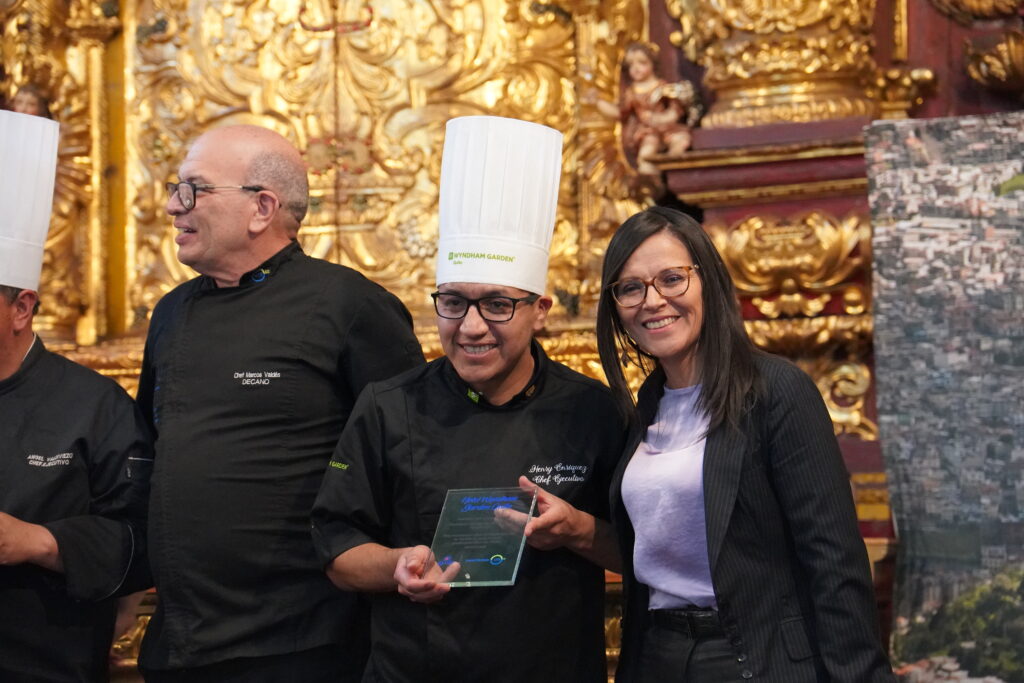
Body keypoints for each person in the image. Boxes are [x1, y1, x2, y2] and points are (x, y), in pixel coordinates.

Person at [311, 116, 625, 683]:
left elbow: (641, 552)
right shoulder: (388, 407)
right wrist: (399, 566)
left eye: (497, 305)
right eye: (453, 303)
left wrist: (577, 529)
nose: (471, 327)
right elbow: (338, 550)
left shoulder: (594, 410)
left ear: (540, 311)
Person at [136, 124, 425, 682]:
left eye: (194, 189)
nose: (174, 206)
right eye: (176, 189)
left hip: (302, 642)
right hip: (182, 642)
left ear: (262, 208)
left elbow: (408, 459)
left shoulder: (350, 305)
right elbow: (151, 453)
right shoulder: (171, 312)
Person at [595, 206, 896, 682]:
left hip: (755, 657)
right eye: (630, 288)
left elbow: (833, 558)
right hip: (658, 653)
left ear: (708, 281)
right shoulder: (645, 405)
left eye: (672, 279)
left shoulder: (776, 390)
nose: (652, 301)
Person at [0, 110, 153, 681]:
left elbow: (143, 540)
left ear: (21, 308)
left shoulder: (96, 407)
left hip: (46, 661)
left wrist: (38, 542)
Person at [589, 42, 697, 176]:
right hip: (648, 131)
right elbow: (621, 112)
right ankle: (650, 179)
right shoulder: (632, 93)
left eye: (642, 63)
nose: (636, 68)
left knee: (681, 140)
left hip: (667, 127)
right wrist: (599, 102)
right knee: (647, 153)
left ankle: (673, 170)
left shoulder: (662, 87)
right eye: (631, 65)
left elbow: (675, 110)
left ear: (652, 64)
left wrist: (663, 118)